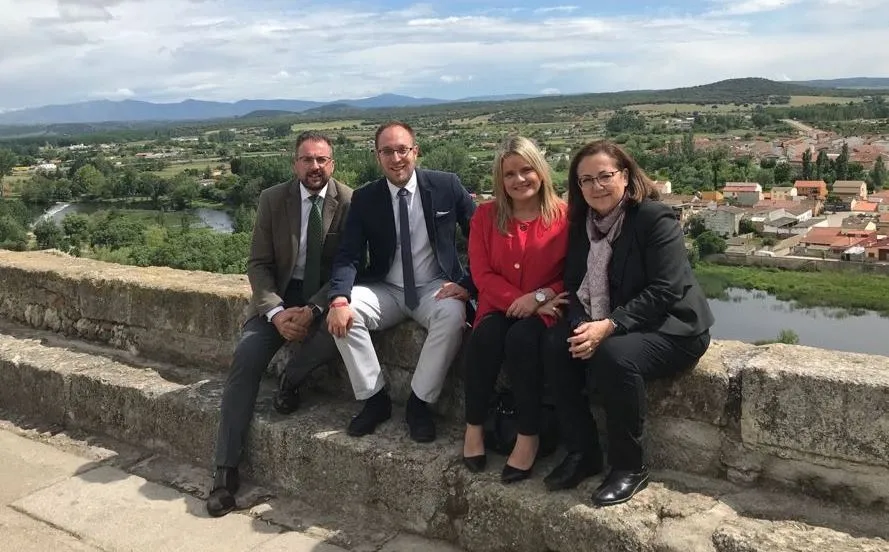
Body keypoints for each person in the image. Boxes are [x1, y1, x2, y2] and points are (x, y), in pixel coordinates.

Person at [542, 140, 714, 507]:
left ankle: (629, 468)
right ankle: (583, 452)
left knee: (614, 356)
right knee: (558, 344)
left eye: (605, 176)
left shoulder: (652, 218)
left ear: (625, 175)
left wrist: (610, 325)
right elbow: (574, 282)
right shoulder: (581, 224)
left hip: (674, 327)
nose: (596, 186)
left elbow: (666, 289)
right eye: (586, 180)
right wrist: (581, 321)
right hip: (612, 321)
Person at [207, 132, 353, 517]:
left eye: (322, 159)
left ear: (332, 164)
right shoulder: (273, 199)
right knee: (245, 359)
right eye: (307, 159)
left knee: (341, 333)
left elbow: (348, 266)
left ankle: (291, 380)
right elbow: (258, 264)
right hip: (277, 298)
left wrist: (316, 309)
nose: (315, 167)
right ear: (295, 164)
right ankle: (225, 472)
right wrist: (275, 312)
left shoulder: (350, 201)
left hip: (320, 297)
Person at [326, 120, 476, 443]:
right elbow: (349, 255)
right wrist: (338, 298)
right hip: (386, 289)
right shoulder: (365, 199)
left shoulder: (447, 186)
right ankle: (374, 398)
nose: (396, 159)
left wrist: (471, 283)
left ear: (415, 151)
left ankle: (419, 405)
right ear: (377, 156)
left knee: (453, 317)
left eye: (402, 150)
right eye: (387, 151)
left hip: (436, 286)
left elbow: (482, 237)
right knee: (343, 313)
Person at [461, 136, 568, 484]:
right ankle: (473, 427)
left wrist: (538, 298)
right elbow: (481, 273)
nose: (519, 180)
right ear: (500, 179)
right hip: (498, 305)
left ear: (540, 171)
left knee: (523, 341)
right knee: (484, 339)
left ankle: (528, 436)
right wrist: (518, 300)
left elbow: (574, 272)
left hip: (549, 308)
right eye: (510, 174)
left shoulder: (566, 216)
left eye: (526, 170)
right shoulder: (485, 216)